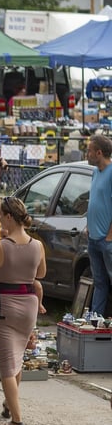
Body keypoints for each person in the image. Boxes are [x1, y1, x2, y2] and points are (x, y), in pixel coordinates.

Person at [0, 196, 46, 425]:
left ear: (8, 217)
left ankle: (17, 420)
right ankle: (10, 404)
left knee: (7, 365)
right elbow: (39, 274)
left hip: (4, 306)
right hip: (29, 305)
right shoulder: (37, 246)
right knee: (16, 357)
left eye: (0, 215)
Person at [87, 134, 112, 315]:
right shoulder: (95, 172)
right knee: (99, 282)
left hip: (107, 239)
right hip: (93, 237)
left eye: (89, 151)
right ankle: (96, 320)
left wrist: (110, 234)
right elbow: (95, 200)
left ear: (99, 152)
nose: (86, 154)